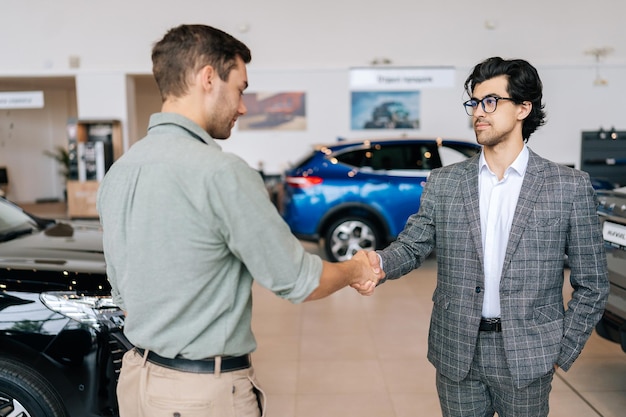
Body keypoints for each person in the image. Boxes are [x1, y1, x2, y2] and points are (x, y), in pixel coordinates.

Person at [96, 24, 382, 417]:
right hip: (199, 396)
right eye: (241, 88)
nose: (243, 106)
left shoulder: (120, 172)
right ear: (208, 78)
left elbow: (123, 295)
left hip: (135, 383)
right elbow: (299, 281)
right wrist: (354, 268)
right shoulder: (221, 172)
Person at [357, 57, 609, 417]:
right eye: (474, 102)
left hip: (529, 355)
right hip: (458, 350)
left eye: (491, 101)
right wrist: (378, 264)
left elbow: (593, 285)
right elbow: (413, 245)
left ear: (524, 108)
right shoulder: (446, 182)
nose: (479, 111)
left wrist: (560, 350)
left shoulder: (568, 187)